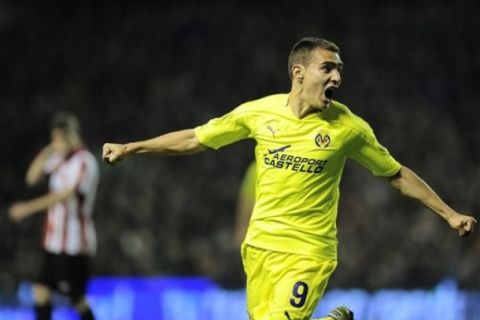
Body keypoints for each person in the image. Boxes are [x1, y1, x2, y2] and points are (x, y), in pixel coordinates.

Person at [101, 37, 477, 320]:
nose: (337, 76)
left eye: (339, 69)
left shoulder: (349, 128)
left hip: (308, 253)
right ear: (298, 73)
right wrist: (133, 147)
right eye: (327, 68)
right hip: (260, 248)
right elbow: (195, 139)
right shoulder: (258, 113)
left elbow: (395, 173)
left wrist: (447, 213)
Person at [9, 111, 98, 320]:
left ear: (70, 136)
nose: (56, 142)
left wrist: (28, 208)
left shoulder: (85, 162)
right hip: (53, 241)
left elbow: (64, 196)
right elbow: (31, 178)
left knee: (77, 299)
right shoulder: (58, 159)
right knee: (40, 291)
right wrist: (48, 150)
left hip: (74, 244)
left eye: (58, 138)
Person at [233, 161, 256, 248]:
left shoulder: (258, 166)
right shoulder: (257, 167)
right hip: (260, 236)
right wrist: (241, 228)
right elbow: (247, 199)